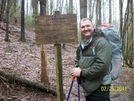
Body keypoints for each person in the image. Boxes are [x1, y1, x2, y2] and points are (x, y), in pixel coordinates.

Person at [71, 18, 112, 101]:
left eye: (88, 26)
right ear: (80, 29)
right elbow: (78, 59)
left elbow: (102, 66)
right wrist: (76, 68)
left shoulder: (101, 42)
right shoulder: (83, 43)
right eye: (83, 27)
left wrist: (82, 72)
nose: (86, 28)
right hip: (89, 87)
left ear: (93, 27)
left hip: (100, 87)